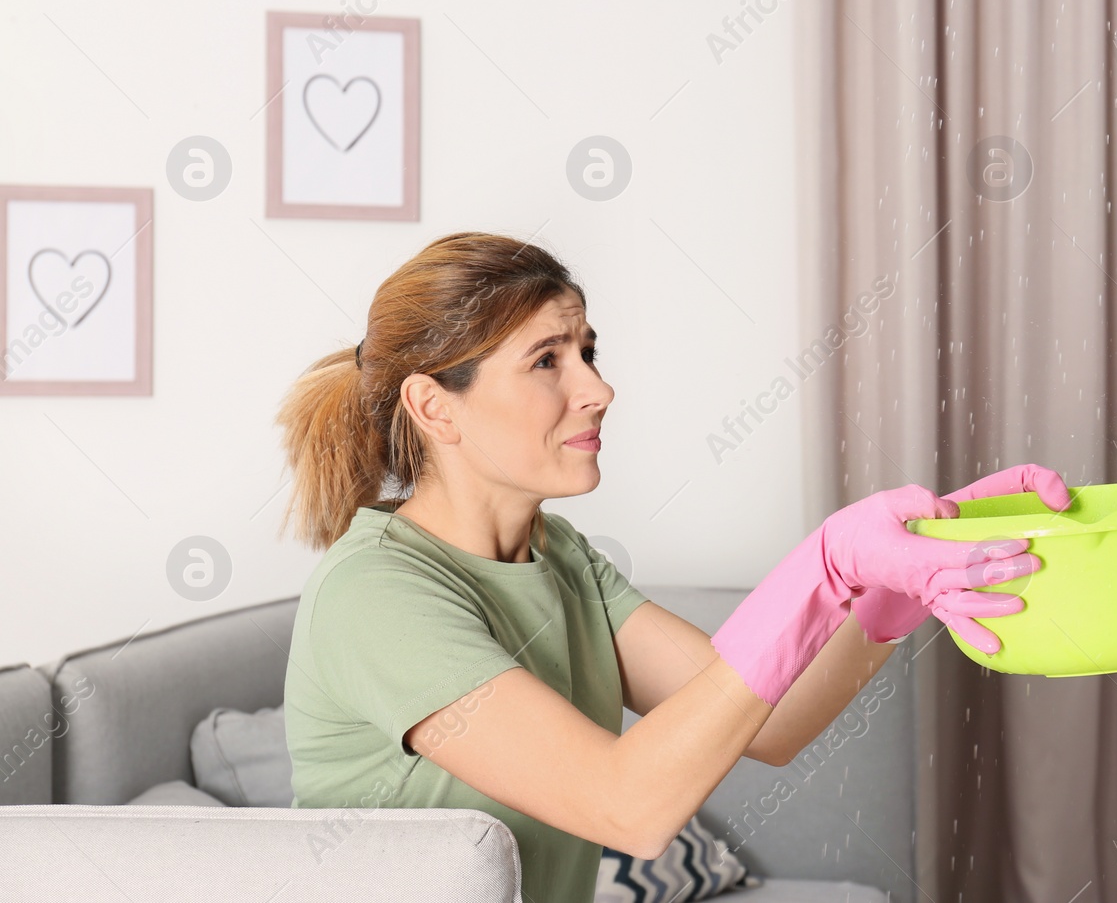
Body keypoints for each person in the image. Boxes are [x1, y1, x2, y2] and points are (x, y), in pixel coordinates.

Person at [274, 230, 1069, 901]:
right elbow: (627, 805)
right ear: (434, 405)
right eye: (546, 360)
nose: (598, 387)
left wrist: (901, 576)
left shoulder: (561, 558)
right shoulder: (375, 593)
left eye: (586, 350)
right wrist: (825, 562)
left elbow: (779, 721)